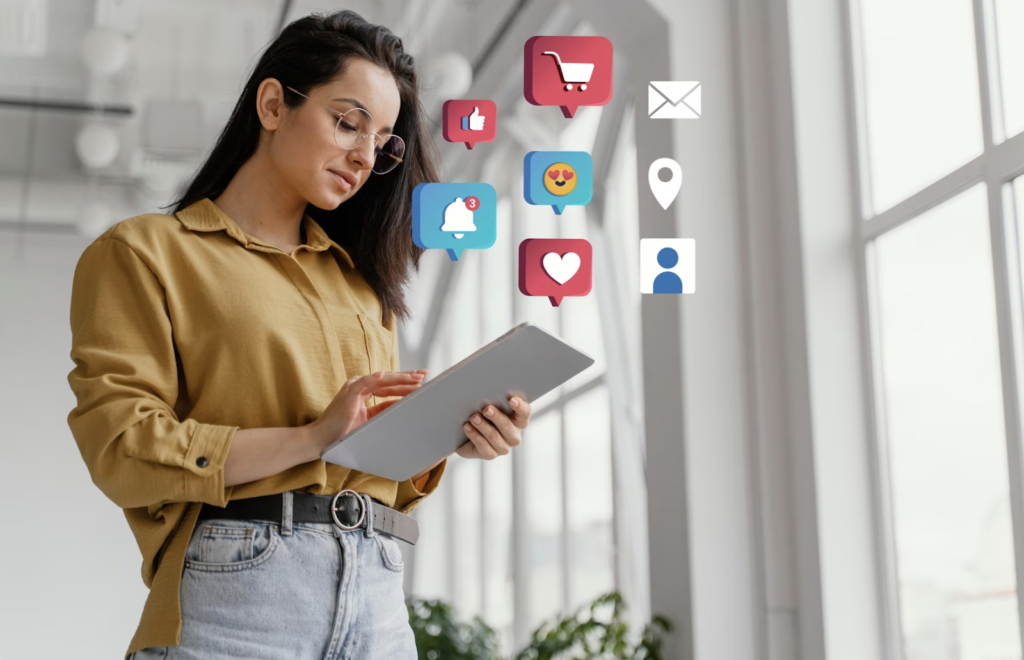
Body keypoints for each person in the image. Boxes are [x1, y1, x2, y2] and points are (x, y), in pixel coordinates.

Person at [66, 10, 532, 660]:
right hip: (239, 597)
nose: (366, 155)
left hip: (379, 597)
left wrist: (452, 437)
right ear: (273, 104)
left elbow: (376, 475)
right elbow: (122, 449)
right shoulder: (146, 254)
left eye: (383, 143)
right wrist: (309, 438)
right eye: (348, 122)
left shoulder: (364, 286)